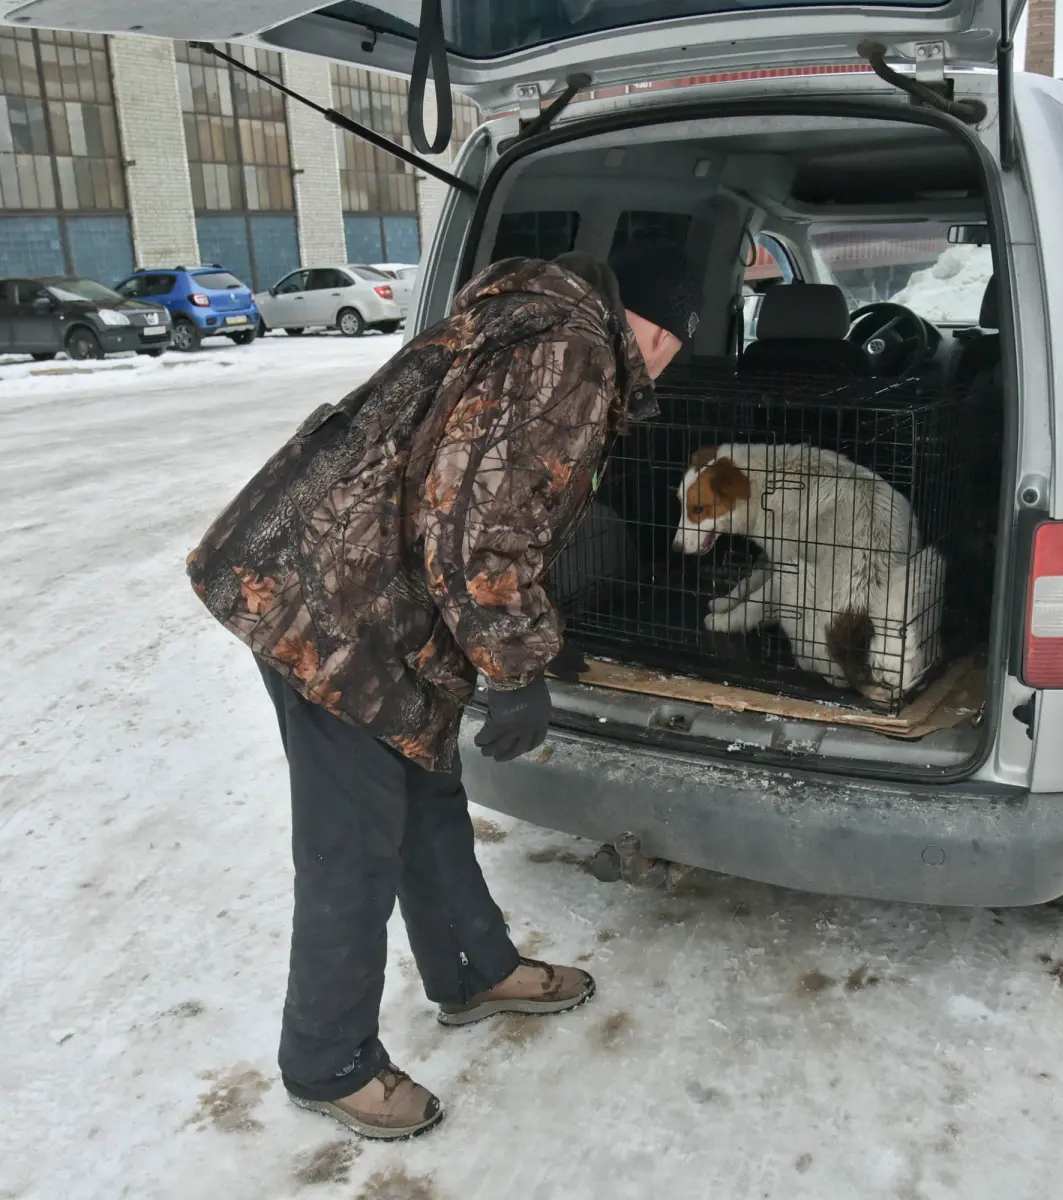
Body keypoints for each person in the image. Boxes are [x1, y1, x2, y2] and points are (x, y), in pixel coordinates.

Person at [186, 242, 702, 1140]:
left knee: (427, 795)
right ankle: (327, 1060)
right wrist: (514, 665)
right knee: (354, 846)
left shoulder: (532, 315)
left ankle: (473, 969)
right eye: (676, 344)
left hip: (371, 597)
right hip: (332, 611)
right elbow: (478, 518)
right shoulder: (571, 351)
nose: (668, 364)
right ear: (654, 328)